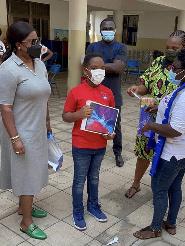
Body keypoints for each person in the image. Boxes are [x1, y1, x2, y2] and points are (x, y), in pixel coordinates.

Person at [133, 48, 185, 239]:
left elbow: (175, 129)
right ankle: (170, 222)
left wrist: (151, 126)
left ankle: (155, 228)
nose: (171, 69)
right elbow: (178, 108)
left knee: (160, 188)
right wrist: (160, 106)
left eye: (175, 67)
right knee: (175, 186)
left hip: (173, 151)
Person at [0, 21, 51, 240]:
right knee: (27, 173)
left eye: (37, 39)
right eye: (33, 41)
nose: (37, 44)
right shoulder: (9, 69)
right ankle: (26, 221)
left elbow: (44, 95)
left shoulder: (39, 64)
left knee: (33, 169)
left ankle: (24, 208)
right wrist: (15, 138)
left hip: (37, 127)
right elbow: (5, 107)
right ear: (19, 44)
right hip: (20, 130)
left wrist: (47, 121)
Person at [125, 30, 185, 198]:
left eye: (175, 47)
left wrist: (160, 106)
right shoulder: (158, 62)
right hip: (148, 115)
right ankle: (136, 183)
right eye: (167, 46)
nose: (170, 50)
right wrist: (137, 89)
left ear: (184, 47)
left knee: (165, 155)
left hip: (170, 120)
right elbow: (146, 84)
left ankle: (162, 191)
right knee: (144, 151)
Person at [62, 53, 115, 231]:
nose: (99, 71)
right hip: (81, 145)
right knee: (79, 181)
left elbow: (109, 121)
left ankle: (93, 206)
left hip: (100, 145)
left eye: (102, 68)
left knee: (94, 178)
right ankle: (78, 211)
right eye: (94, 68)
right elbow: (65, 116)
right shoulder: (76, 92)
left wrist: (110, 134)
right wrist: (78, 115)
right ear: (85, 70)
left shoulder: (108, 93)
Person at [86, 18, 127, 167]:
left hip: (113, 92)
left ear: (115, 30)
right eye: (105, 28)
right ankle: (94, 150)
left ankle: (118, 153)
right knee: (93, 120)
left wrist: (97, 66)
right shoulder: (93, 46)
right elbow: (87, 66)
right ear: (100, 30)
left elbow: (117, 68)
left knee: (115, 124)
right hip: (94, 91)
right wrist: (112, 66)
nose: (108, 31)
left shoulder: (121, 47)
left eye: (111, 28)